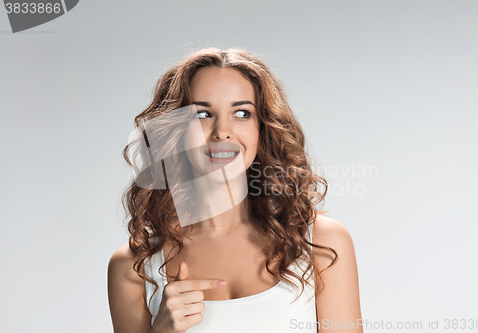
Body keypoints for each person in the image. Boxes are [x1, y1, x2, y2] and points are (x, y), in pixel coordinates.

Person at [108, 48, 363, 333]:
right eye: (203, 114)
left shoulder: (322, 244)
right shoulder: (133, 266)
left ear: (261, 128)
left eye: (241, 113)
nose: (222, 132)